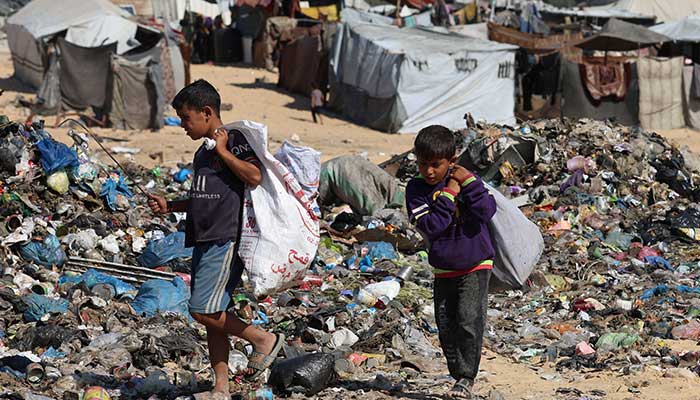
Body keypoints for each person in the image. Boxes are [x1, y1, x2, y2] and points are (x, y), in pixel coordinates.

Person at [147, 79, 284, 399]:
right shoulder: (202, 153)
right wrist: (171, 206)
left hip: (226, 238)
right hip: (204, 238)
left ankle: (262, 339)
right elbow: (203, 196)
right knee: (213, 317)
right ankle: (220, 388)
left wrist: (223, 150)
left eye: (186, 117)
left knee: (201, 310)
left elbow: (254, 176)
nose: (182, 125)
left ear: (207, 112)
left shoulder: (234, 141)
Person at [405, 125, 496, 399]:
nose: (429, 171)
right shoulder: (416, 190)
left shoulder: (466, 180)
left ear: (451, 161)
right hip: (444, 267)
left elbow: (487, 211)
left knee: (469, 320)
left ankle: (465, 379)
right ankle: (458, 374)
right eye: (423, 164)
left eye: (436, 165)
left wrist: (467, 183)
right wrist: (450, 193)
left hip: (476, 263)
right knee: (446, 326)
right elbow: (432, 226)